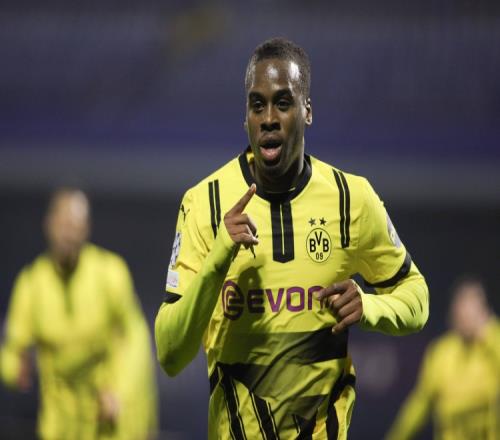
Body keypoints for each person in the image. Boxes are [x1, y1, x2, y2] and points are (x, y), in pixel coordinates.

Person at [155, 38, 429, 439]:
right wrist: (217, 261)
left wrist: (370, 307)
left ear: (307, 111)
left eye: (283, 103)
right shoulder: (206, 203)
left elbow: (418, 299)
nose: (268, 118)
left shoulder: (351, 198)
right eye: (257, 105)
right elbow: (170, 354)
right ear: (246, 117)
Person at [0, 188, 158, 440]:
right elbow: (12, 350)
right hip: (59, 424)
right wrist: (14, 370)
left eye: (76, 226)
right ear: (49, 224)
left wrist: (120, 391)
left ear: (86, 230)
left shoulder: (110, 273)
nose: (68, 233)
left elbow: (136, 336)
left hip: (109, 418)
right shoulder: (31, 284)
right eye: (63, 224)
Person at [386, 276, 500, 440]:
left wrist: (490, 334)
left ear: (484, 312)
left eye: (472, 309)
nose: (466, 316)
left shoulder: (494, 342)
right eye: (462, 310)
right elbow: (420, 403)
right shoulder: (441, 352)